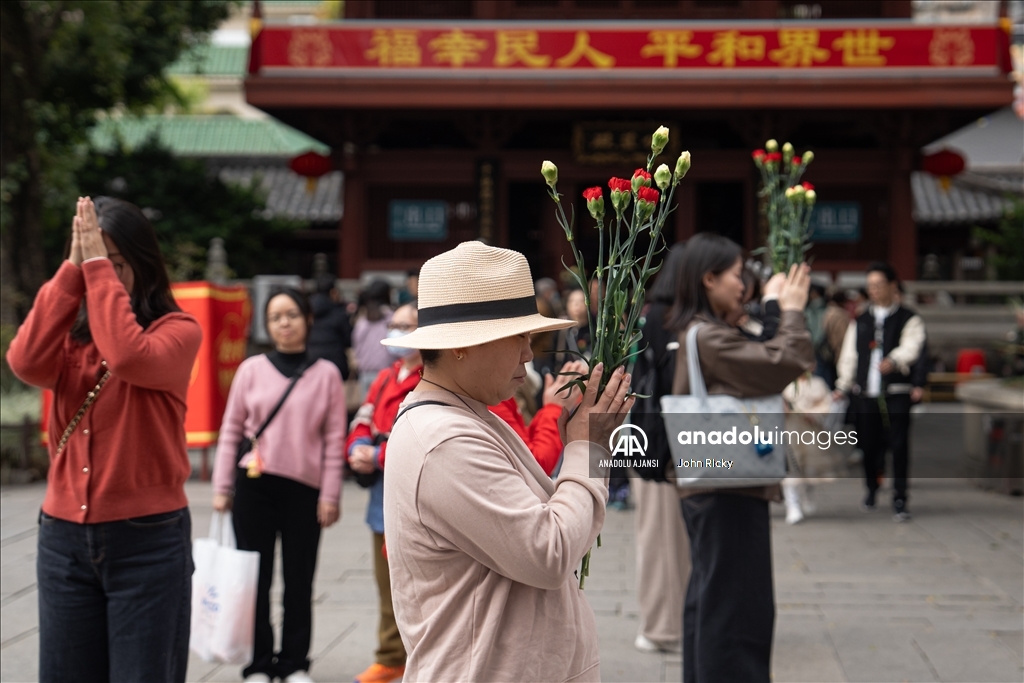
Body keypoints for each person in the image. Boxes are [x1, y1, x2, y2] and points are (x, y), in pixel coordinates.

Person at [381, 241, 635, 682]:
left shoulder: (464, 414)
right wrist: (587, 448)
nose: (528, 354)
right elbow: (547, 552)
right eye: (518, 336)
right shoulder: (443, 440)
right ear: (463, 345)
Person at [6, 197, 202, 683]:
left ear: (142, 265)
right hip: (63, 541)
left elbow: (129, 356)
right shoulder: (68, 343)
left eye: (116, 265)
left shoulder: (177, 332)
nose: (104, 276)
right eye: (94, 261)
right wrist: (74, 268)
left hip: (149, 541)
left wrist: (95, 266)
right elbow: (25, 361)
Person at [667, 232, 814, 683]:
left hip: (716, 484)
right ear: (709, 279)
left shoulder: (704, 332)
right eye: (736, 275)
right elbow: (785, 361)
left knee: (714, 603)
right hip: (727, 487)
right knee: (737, 611)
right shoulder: (708, 336)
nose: (743, 285)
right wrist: (791, 310)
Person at [212, 287, 346, 683]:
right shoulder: (251, 370)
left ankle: (294, 664)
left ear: (307, 319)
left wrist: (331, 494)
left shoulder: (327, 375)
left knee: (299, 580)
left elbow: (334, 439)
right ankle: (257, 663)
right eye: (275, 317)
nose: (283, 323)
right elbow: (231, 429)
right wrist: (222, 488)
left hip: (304, 490)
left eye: (291, 314)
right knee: (253, 578)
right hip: (254, 487)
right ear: (266, 325)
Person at [346, 302, 422, 683]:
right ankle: (391, 655)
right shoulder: (386, 375)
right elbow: (364, 415)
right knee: (386, 580)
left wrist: (375, 454)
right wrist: (356, 447)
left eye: (406, 326)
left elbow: (420, 436)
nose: (396, 332)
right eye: (394, 325)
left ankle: (414, 656)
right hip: (380, 491)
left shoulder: (428, 377)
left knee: (415, 583)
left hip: (413, 490)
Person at [629, 242, 690, 655]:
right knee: (663, 538)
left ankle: (672, 621)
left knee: (669, 538)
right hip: (662, 444)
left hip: (662, 440)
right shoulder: (666, 319)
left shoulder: (660, 316)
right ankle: (662, 627)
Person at [834, 262, 925, 521]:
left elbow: (913, 345)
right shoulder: (861, 320)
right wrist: (843, 384)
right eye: (870, 286)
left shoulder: (909, 318)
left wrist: (895, 360)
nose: (874, 290)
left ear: (892, 286)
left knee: (898, 446)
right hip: (866, 395)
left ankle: (900, 497)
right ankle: (872, 488)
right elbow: (850, 355)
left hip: (896, 393)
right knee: (869, 445)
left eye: (878, 285)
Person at [353, 280, 394, 402]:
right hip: (383, 371)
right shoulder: (391, 318)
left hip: (368, 371)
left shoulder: (362, 321)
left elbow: (356, 345)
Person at [308, 273, 353, 380]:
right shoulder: (339, 312)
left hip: (310, 360)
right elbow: (349, 339)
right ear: (333, 291)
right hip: (335, 363)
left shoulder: (307, 311)